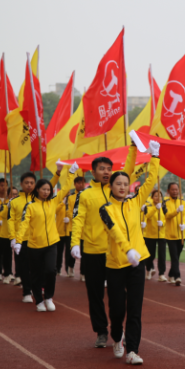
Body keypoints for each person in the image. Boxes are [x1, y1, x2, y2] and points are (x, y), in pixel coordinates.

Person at [99, 139, 160, 365]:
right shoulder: (105, 209)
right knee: (117, 310)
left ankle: (132, 350)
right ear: (111, 187)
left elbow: (151, 179)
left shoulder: (136, 202)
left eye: (126, 183)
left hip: (137, 264)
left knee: (135, 308)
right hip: (116, 264)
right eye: (118, 184)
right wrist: (128, 251)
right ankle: (117, 337)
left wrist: (155, 158)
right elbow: (115, 232)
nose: (123, 187)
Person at [71, 147, 137, 348]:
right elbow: (78, 220)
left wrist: (133, 148)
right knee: (95, 294)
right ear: (93, 172)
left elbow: (130, 171)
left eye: (109, 168)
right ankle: (101, 330)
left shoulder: (116, 189)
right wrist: (75, 243)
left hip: (115, 252)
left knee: (119, 296)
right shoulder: (84, 195)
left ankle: (118, 327)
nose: (107, 172)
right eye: (102, 168)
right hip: (93, 251)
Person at [15, 164, 77, 312]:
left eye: (48, 190)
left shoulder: (53, 202)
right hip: (34, 245)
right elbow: (24, 224)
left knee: (50, 270)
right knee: (36, 274)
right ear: (37, 190)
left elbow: (66, 188)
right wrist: (18, 241)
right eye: (43, 189)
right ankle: (39, 301)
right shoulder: (30, 206)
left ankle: (48, 297)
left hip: (52, 243)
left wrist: (71, 173)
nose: (46, 192)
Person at [9, 170, 62, 303]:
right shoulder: (14, 201)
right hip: (21, 239)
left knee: (44, 267)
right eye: (26, 182)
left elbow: (49, 185)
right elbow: (10, 220)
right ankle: (27, 291)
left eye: (32, 183)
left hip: (38, 239)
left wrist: (58, 173)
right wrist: (13, 238)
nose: (29, 185)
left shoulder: (39, 198)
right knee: (24, 267)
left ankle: (41, 289)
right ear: (21, 184)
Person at [164, 182, 185, 285]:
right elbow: (167, 215)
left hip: (182, 235)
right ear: (168, 191)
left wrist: (184, 223)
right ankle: (177, 276)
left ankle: (170, 274)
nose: (175, 191)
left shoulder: (183, 202)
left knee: (177, 257)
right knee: (174, 256)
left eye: (176, 189)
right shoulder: (165, 202)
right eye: (172, 189)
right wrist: (176, 211)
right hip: (170, 235)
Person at [143, 190, 167, 281]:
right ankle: (148, 270)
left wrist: (163, 223)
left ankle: (161, 273)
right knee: (150, 255)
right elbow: (147, 216)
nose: (158, 198)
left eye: (160, 196)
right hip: (150, 234)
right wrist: (155, 208)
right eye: (156, 196)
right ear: (152, 197)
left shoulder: (163, 206)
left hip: (161, 234)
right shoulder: (148, 206)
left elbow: (166, 218)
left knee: (162, 255)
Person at [65, 176, 86, 280]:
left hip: (85, 229)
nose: (80, 185)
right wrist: (73, 217)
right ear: (74, 184)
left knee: (84, 251)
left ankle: (83, 273)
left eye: (82, 182)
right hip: (73, 227)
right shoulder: (70, 197)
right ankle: (70, 267)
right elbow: (69, 210)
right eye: (78, 183)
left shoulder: (87, 195)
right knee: (72, 250)